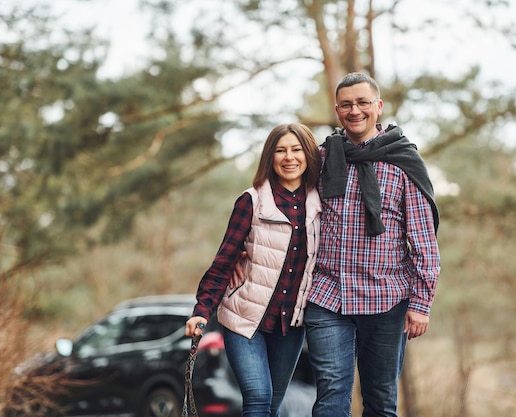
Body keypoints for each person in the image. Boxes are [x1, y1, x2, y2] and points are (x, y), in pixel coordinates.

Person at [304, 72, 441, 417]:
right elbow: (288, 210)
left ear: (378, 107)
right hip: (327, 295)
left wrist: (421, 303)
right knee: (331, 394)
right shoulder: (321, 159)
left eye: (363, 103)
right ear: (338, 111)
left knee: (380, 401)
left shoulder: (403, 161)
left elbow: (423, 238)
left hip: (386, 300)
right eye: (347, 104)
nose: (355, 111)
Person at [185, 123, 322, 417]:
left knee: (272, 404)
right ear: (269, 158)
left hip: (290, 325)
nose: (289, 157)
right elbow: (224, 261)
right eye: (280, 150)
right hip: (244, 320)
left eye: (297, 149)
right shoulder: (251, 201)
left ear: (309, 155)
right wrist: (202, 310)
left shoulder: (322, 205)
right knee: (258, 397)